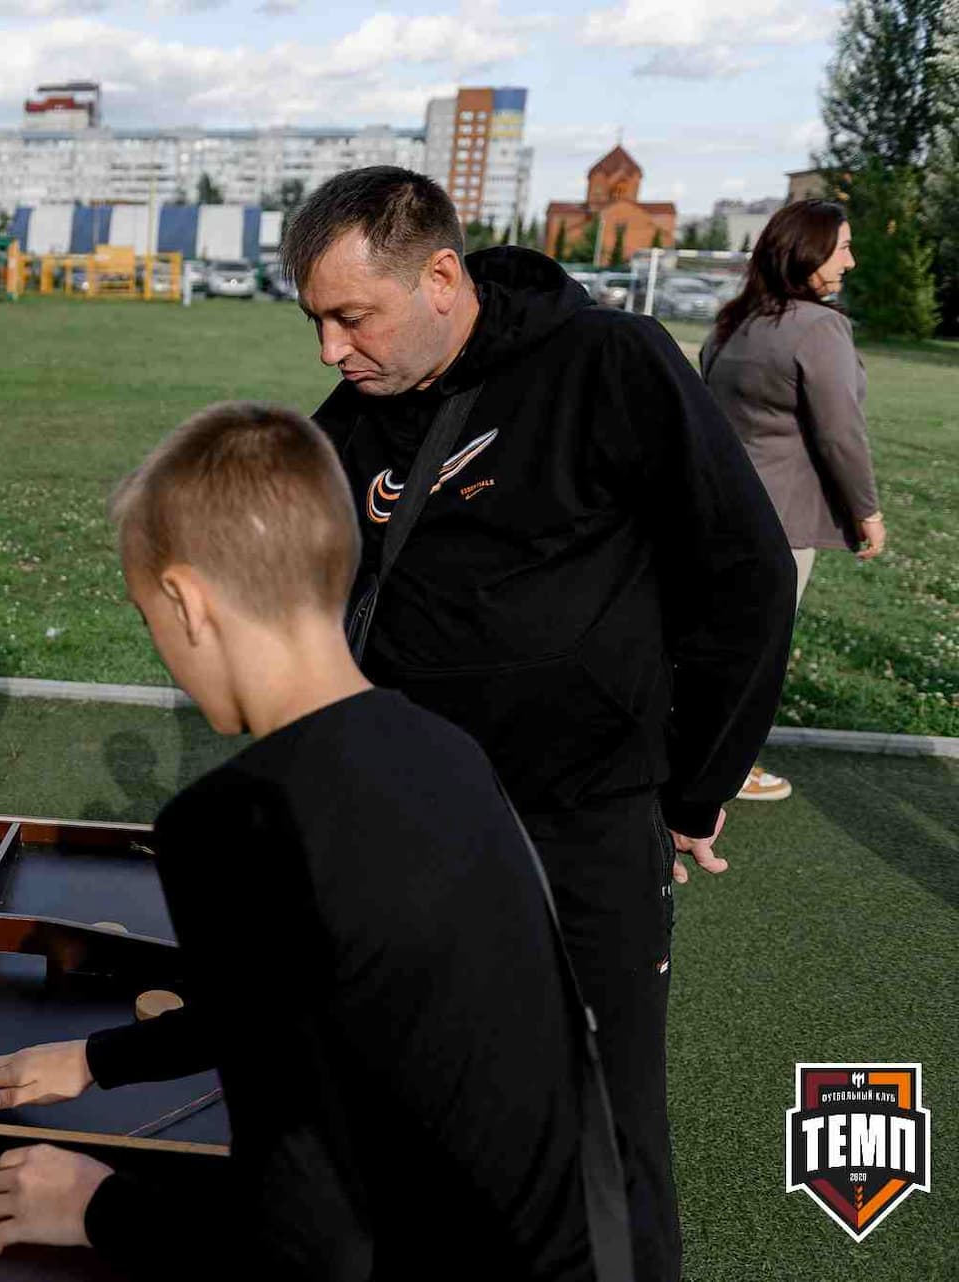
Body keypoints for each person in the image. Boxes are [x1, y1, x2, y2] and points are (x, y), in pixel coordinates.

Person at [283, 167, 795, 1282]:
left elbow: (745, 579)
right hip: (418, 832)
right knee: (417, 1099)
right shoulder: (344, 426)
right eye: (315, 320)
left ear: (442, 277)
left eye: (350, 315)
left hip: (586, 824)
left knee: (610, 1133)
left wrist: (693, 789)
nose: (331, 348)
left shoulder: (610, 364)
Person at [0, 403, 616, 1277]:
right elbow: (323, 991)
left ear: (187, 601)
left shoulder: (238, 824)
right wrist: (98, 1059)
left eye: (144, 613)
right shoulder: (442, 747)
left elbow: (312, 1246)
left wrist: (98, 1206)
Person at [701, 200, 883, 803]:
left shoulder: (735, 321)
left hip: (717, 511)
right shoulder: (819, 326)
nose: (850, 262)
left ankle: (693, 753)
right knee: (758, 653)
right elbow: (840, 431)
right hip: (780, 522)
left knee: (712, 642)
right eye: (843, 248)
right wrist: (867, 510)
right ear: (807, 253)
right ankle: (730, 766)